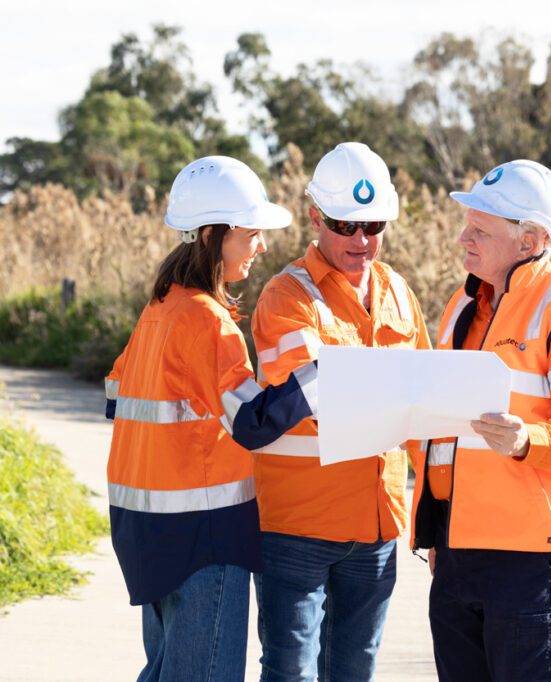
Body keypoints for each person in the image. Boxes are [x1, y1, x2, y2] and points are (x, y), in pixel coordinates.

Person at [105, 155, 320, 682]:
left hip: (145, 533)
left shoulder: (160, 309)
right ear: (212, 235)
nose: (262, 246)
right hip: (203, 537)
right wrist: (321, 376)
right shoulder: (207, 320)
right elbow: (251, 422)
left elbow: (116, 396)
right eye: (251, 234)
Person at [410, 160, 551, 682]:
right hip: (458, 553)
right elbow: (446, 433)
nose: (463, 238)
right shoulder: (462, 304)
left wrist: (530, 439)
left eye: (480, 229)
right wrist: (438, 532)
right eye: (467, 225)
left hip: (531, 558)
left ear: (530, 241)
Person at [250, 142, 430, 681]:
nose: (362, 240)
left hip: (377, 526)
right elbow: (316, 401)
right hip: (298, 525)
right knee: (291, 673)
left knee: (355, 672)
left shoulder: (399, 292)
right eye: (345, 225)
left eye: (373, 226)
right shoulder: (286, 297)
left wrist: (434, 510)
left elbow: (425, 405)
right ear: (314, 218)